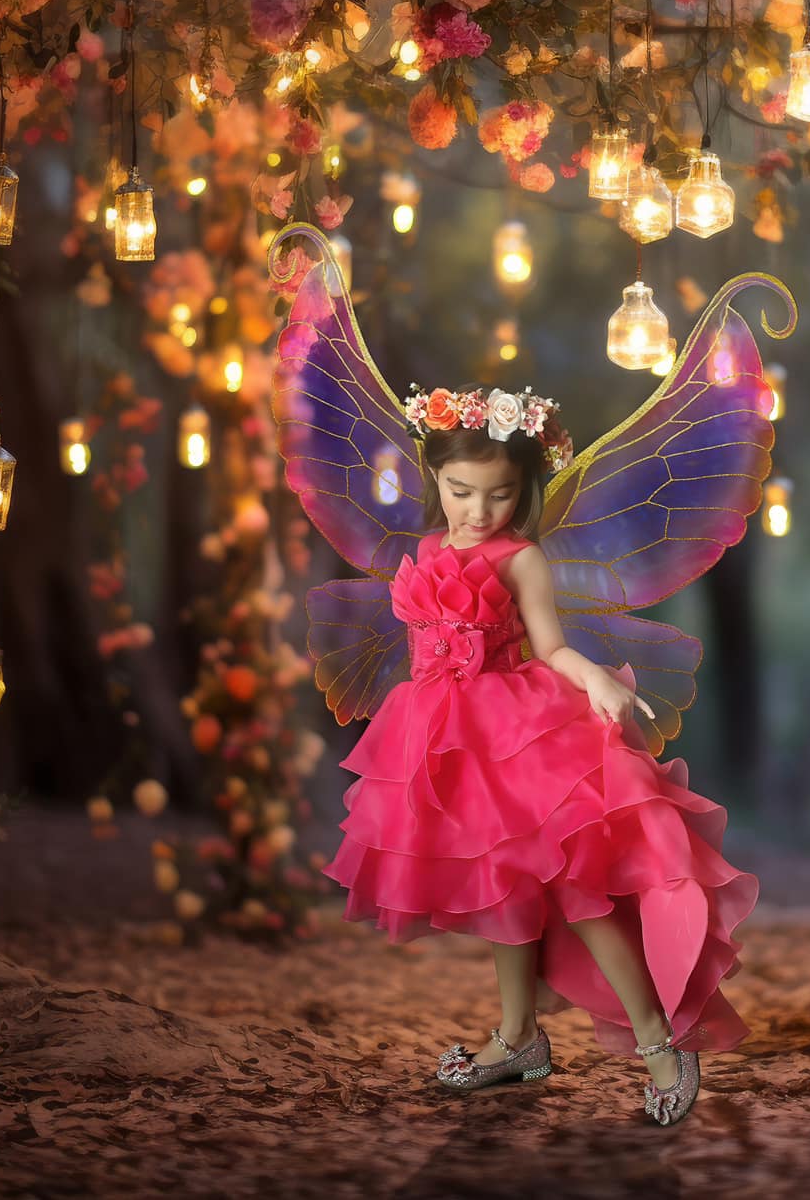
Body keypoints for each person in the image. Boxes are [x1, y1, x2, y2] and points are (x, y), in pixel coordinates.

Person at [319, 383, 759, 1127]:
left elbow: (549, 644)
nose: (479, 511)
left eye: (499, 495)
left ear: (522, 492)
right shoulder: (427, 550)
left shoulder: (520, 557)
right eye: (462, 492)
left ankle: (659, 1039)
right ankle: (518, 1036)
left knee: (577, 890)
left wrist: (595, 681)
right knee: (503, 890)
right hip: (442, 738)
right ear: (436, 480)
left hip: (519, 731)